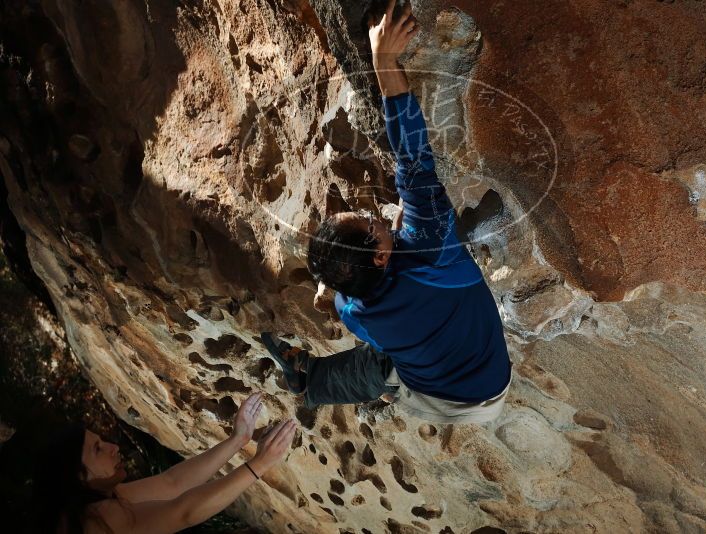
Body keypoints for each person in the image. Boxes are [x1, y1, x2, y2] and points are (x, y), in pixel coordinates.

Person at [263, 0, 512, 424]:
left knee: (388, 346)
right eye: (371, 225)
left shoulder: (351, 309)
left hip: (449, 394)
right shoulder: (430, 248)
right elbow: (412, 157)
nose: (377, 217)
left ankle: (309, 381)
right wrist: (384, 60)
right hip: (469, 394)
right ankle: (312, 383)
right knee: (383, 363)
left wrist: (388, 247)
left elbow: (363, 284)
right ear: (380, 257)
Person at [33, 393, 296, 533]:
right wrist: (259, 464)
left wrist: (238, 440)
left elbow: (172, 484)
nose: (113, 447)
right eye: (97, 449)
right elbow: (183, 514)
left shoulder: (101, 497)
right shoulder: (96, 521)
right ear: (78, 475)